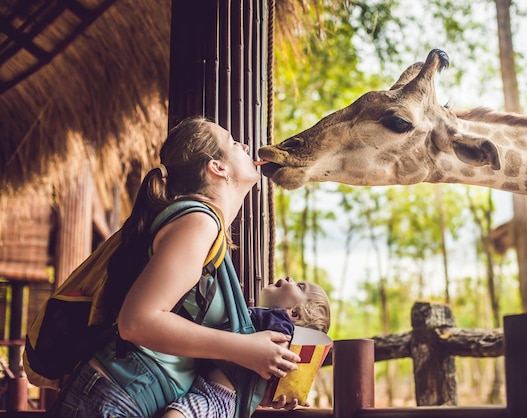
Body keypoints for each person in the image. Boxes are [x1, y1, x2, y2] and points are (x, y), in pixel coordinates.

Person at [49, 117, 302, 418]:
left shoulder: (202, 225)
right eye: (234, 143)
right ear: (216, 167)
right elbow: (137, 321)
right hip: (114, 400)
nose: (245, 145)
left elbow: (182, 345)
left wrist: (251, 389)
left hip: (121, 397)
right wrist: (245, 349)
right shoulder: (199, 223)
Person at [163, 277, 331, 418]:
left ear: (294, 314)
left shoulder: (280, 322)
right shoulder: (260, 321)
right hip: (216, 394)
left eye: (300, 286)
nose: (289, 279)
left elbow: (282, 345)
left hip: (217, 396)